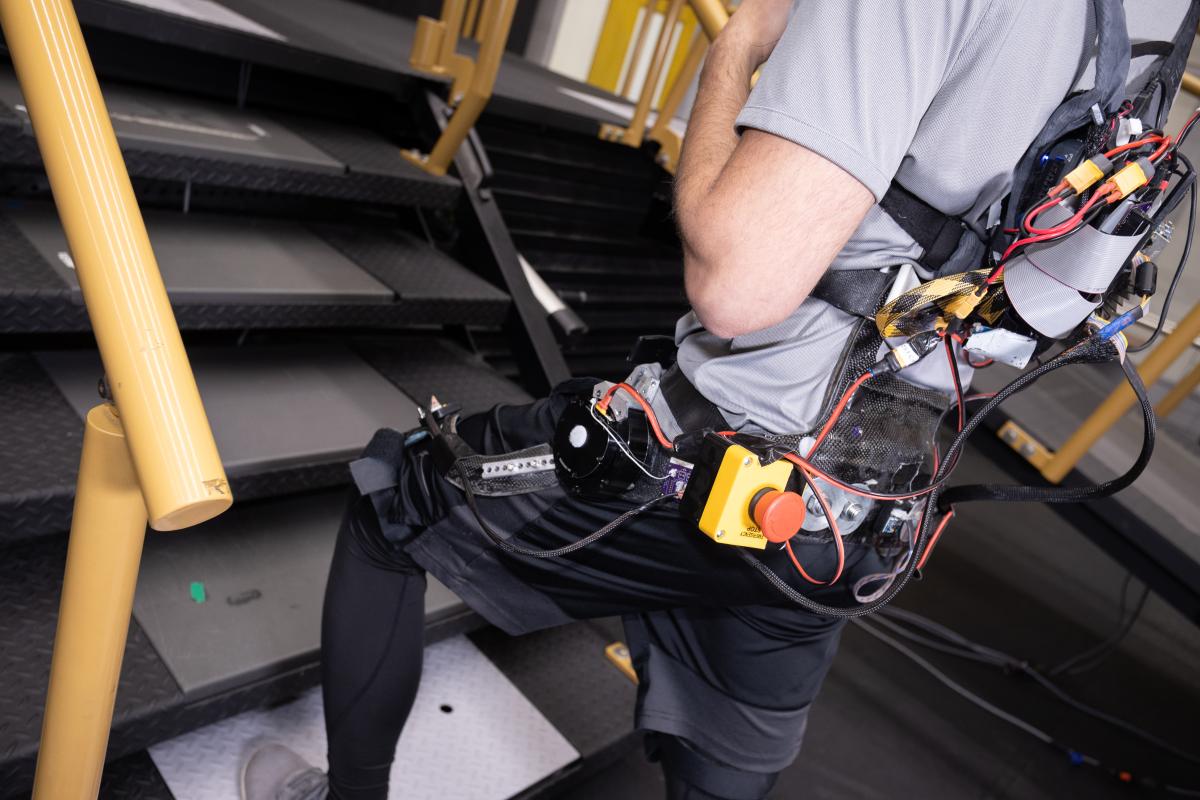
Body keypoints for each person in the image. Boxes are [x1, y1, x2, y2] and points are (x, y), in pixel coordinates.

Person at [241, 0, 1192, 797]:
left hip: (704, 464)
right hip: (865, 504)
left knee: (391, 498)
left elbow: (737, 281)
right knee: (728, 755)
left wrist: (733, 51)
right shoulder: (1168, 21)